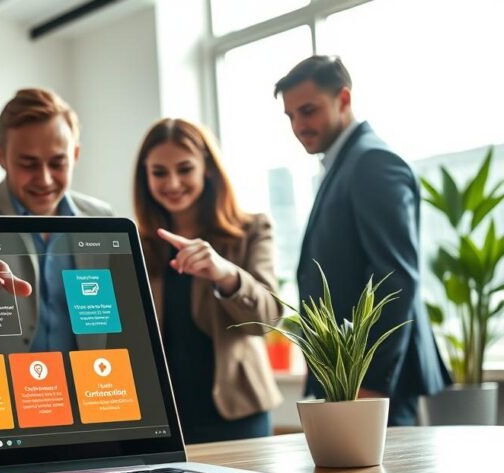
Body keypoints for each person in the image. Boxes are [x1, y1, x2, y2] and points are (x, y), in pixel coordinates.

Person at [274, 55, 449, 425]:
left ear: (344, 99)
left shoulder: (372, 162)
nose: (299, 126)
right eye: (290, 116)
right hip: (350, 383)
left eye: (308, 111)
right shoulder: (346, 162)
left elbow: (396, 279)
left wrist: (370, 384)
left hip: (370, 387)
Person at [0, 88, 114, 356]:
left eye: (57, 163)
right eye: (29, 164)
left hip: (81, 387)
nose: (45, 179)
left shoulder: (102, 218)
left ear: (74, 155)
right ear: (1, 156)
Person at [134, 118, 283, 443]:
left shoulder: (251, 230)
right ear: (145, 177)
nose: (172, 183)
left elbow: (268, 320)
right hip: (163, 419)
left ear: (208, 169)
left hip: (236, 414)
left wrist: (225, 274)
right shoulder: (137, 244)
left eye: (185, 169)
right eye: (159, 172)